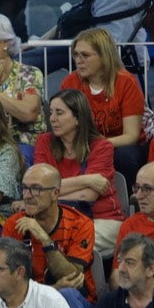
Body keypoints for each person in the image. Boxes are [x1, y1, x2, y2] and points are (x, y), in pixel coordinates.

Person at [5, 163, 99, 308]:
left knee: (67, 295)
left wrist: (44, 239)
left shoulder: (80, 223)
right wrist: (53, 289)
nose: (27, 195)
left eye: (36, 189)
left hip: (78, 302)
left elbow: (71, 275)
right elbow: (9, 282)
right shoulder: (14, 224)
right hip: (29, 301)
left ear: (55, 193)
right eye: (25, 188)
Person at [35, 90, 124, 258]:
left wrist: (47, 194)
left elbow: (87, 196)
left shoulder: (101, 146)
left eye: (59, 113)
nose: (52, 118)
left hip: (101, 219)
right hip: (56, 219)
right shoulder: (44, 142)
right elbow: (37, 187)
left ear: (77, 118)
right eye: (51, 112)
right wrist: (86, 179)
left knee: (62, 241)